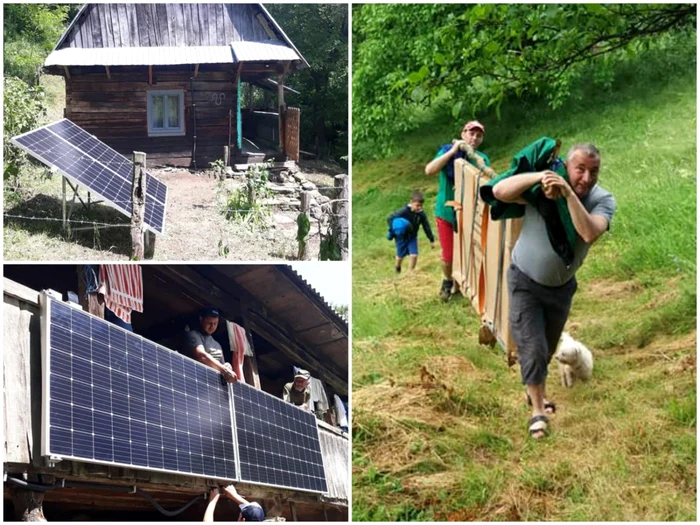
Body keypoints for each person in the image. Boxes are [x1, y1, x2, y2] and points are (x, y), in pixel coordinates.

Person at [491, 143, 615, 439]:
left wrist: (568, 194)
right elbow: (499, 192)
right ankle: (537, 411)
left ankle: (534, 390)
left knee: (544, 350)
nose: (586, 177)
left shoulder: (603, 200)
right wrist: (539, 177)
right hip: (524, 281)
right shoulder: (543, 190)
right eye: (580, 170)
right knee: (532, 348)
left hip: (561, 289)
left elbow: (588, 232)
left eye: (593, 171)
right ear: (566, 167)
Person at [425, 120, 493, 300]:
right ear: (463, 134)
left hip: (470, 213)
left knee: (465, 251)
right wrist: (453, 152)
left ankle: (460, 282)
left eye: (478, 135)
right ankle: (447, 280)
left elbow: (488, 182)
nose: (474, 138)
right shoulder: (447, 150)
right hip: (446, 212)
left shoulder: (482, 159)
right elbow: (429, 170)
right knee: (448, 255)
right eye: (471, 133)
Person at [386, 190, 435, 273]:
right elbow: (390, 218)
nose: (420, 208)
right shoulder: (403, 211)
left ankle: (410, 273)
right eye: (418, 205)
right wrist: (393, 229)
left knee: (414, 255)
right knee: (400, 256)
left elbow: (426, 226)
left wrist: (431, 239)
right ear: (411, 202)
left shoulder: (421, 214)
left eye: (421, 206)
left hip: (412, 236)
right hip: (401, 237)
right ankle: (397, 267)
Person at [185, 306, 237, 383]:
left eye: (215, 323)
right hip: (197, 379)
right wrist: (224, 369)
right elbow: (201, 356)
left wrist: (227, 366)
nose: (212, 326)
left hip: (213, 383)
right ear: (201, 320)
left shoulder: (217, 345)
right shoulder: (193, 334)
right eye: (209, 323)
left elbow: (223, 368)